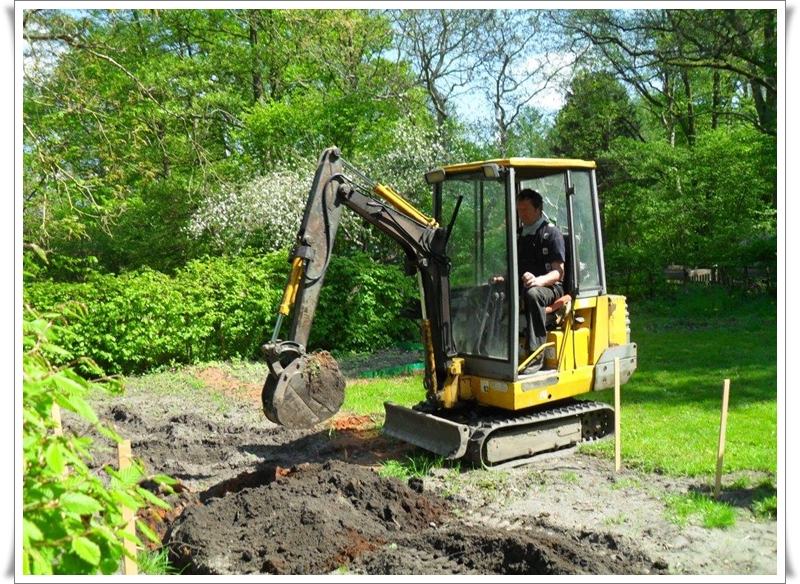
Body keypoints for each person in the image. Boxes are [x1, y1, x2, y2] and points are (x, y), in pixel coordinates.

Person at [492, 188, 566, 374]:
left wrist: (539, 280)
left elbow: (559, 272)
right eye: (519, 210)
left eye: (525, 209)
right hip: (524, 285)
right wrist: (502, 277)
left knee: (533, 294)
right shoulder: (519, 235)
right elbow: (514, 268)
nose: (521, 214)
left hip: (550, 287)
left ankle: (535, 355)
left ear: (538, 209)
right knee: (493, 292)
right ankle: (494, 349)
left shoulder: (551, 234)